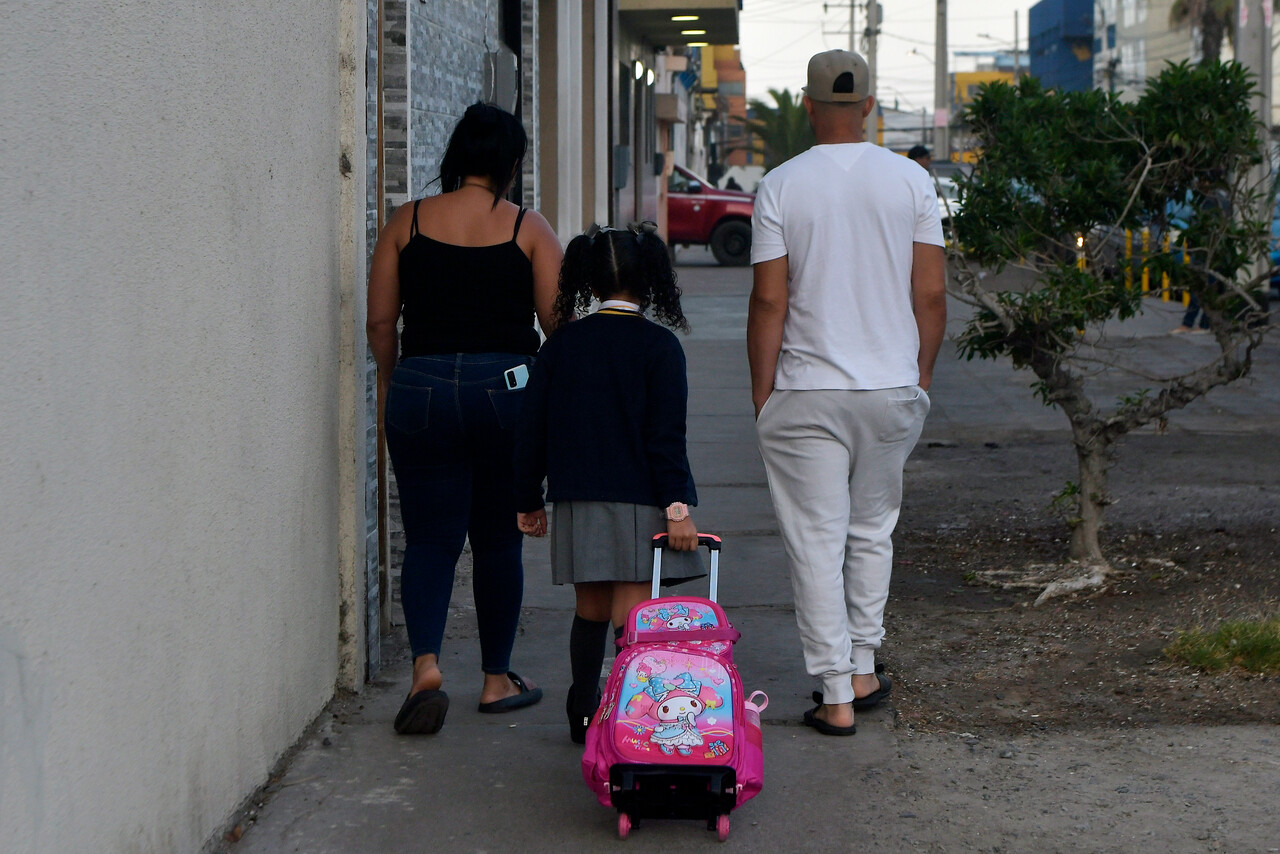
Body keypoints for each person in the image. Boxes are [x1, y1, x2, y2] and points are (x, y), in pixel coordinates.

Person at [747, 50, 947, 736]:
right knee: (871, 533)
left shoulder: (779, 185)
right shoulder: (913, 182)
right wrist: (917, 379)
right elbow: (931, 293)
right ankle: (862, 664)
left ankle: (836, 693)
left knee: (815, 540)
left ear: (807, 105)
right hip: (890, 387)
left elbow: (769, 301)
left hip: (807, 390)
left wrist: (762, 395)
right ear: (868, 105)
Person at [366, 102, 563, 735]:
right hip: (505, 390)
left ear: (455, 157)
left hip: (421, 384)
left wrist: (396, 379)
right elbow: (556, 326)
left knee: (429, 537)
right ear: (510, 164)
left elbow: (378, 323)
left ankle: (426, 666)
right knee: (499, 539)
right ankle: (496, 679)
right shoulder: (528, 229)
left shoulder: (407, 222)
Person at [513, 222, 703, 744]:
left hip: (577, 496)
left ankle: (581, 707)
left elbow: (532, 428)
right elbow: (666, 439)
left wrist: (528, 498)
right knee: (630, 618)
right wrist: (679, 508)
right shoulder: (659, 348)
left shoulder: (562, 346)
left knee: (590, 611)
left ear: (588, 282)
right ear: (651, 281)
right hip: (640, 499)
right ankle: (630, 722)